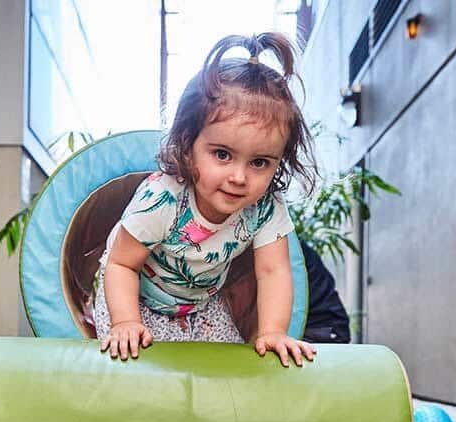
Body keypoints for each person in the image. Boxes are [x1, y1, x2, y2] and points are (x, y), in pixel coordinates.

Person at [93, 32, 318, 368]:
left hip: (201, 303)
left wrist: (272, 330)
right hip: (133, 298)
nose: (239, 177)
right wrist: (125, 322)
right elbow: (122, 264)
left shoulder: (266, 206)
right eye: (223, 154)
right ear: (188, 146)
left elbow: (273, 271)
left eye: (260, 162)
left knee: (226, 369)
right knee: (145, 370)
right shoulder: (163, 198)